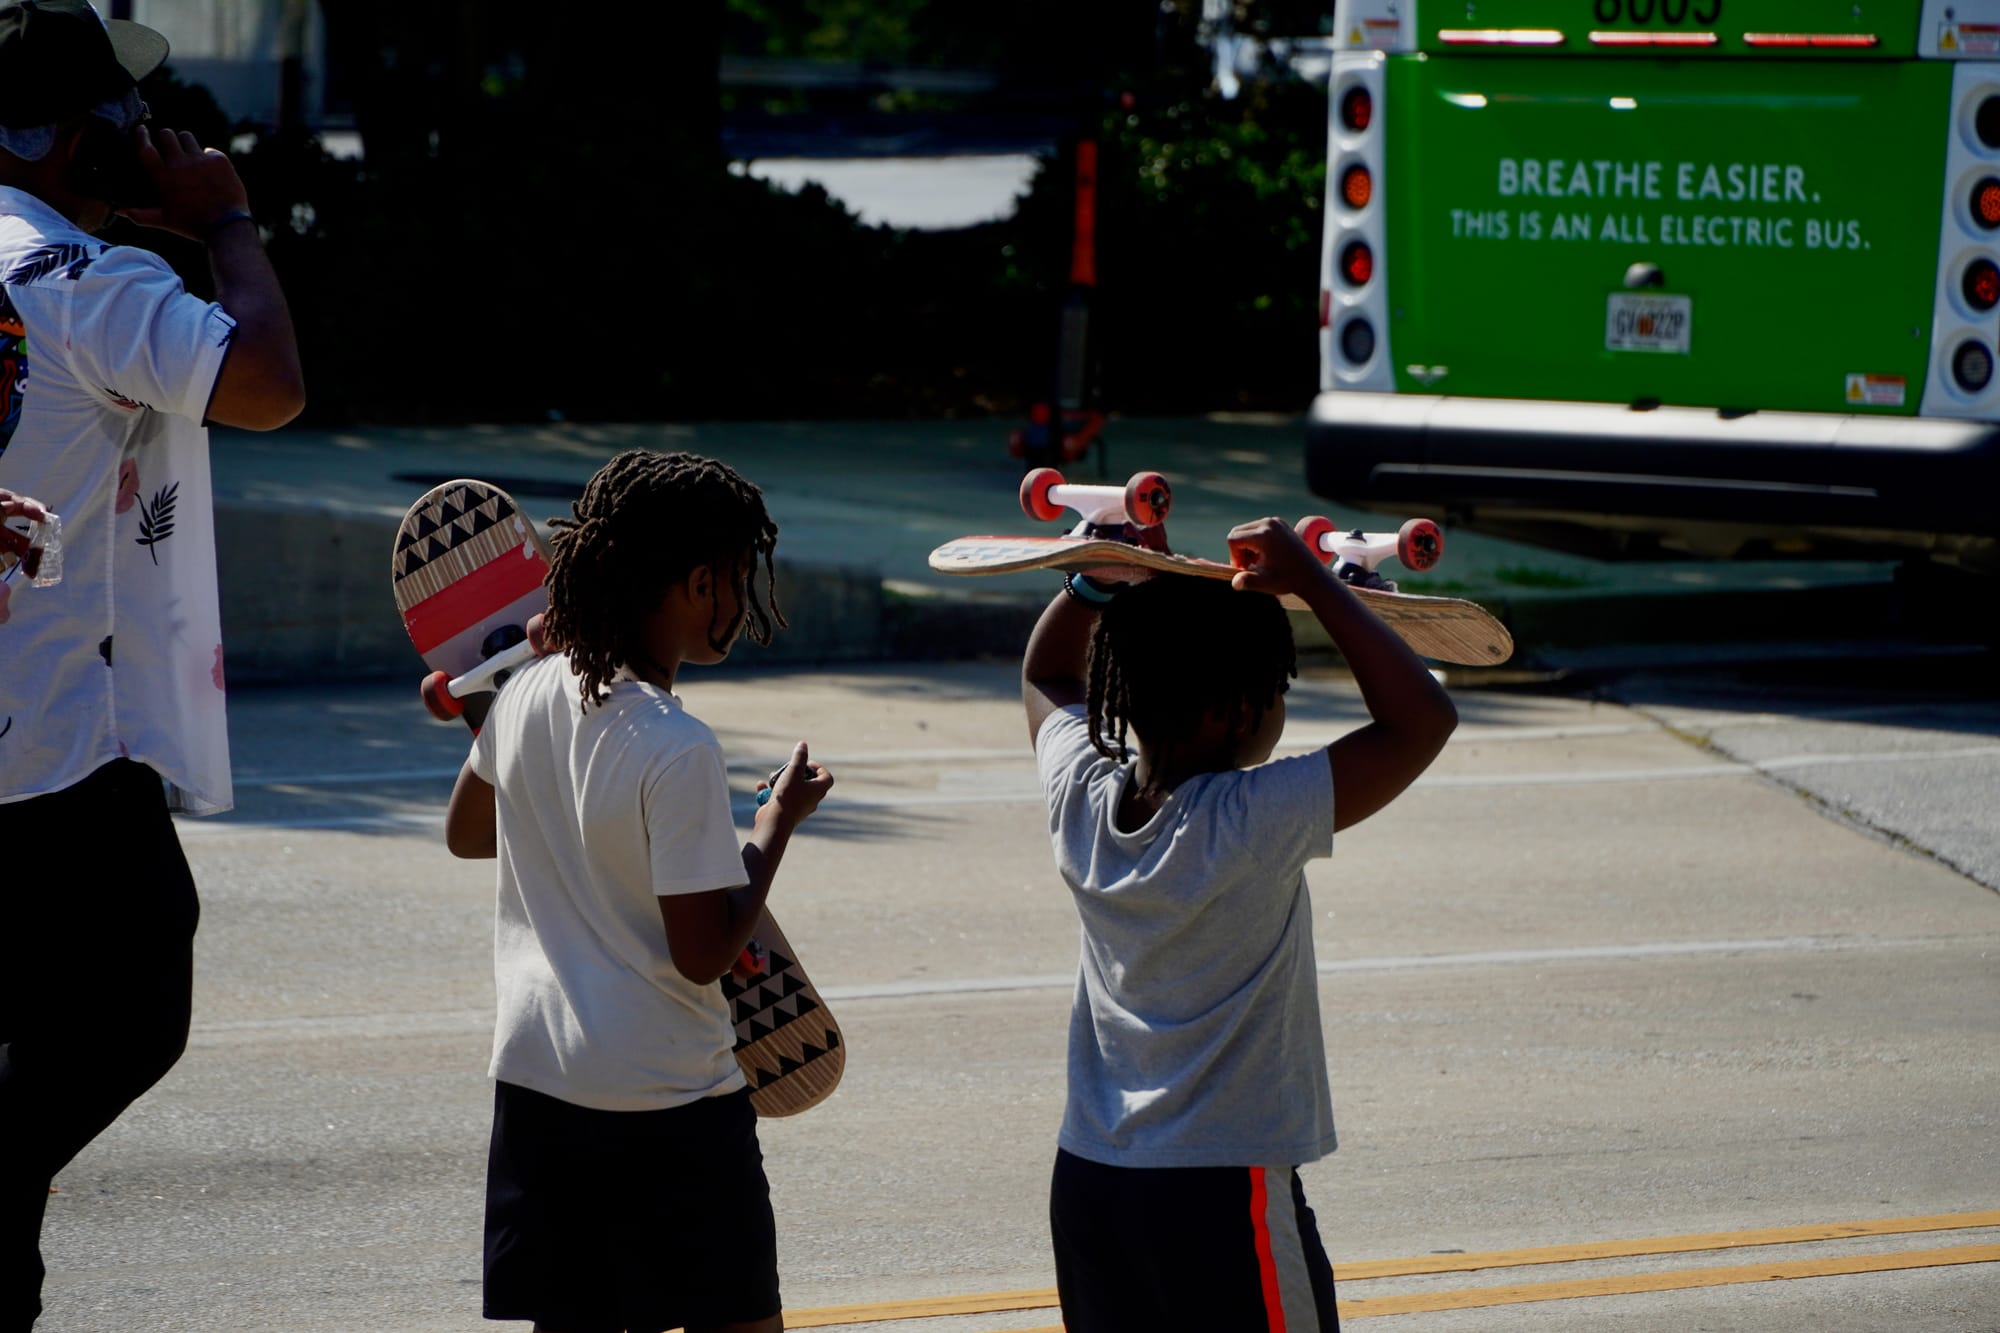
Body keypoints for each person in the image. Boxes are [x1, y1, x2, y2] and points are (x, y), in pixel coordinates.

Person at [0, 1, 304, 1326]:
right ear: (66, 135)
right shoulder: (87, 288)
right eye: (122, 112)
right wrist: (228, 222)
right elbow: (267, 383)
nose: (147, 128)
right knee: (136, 1002)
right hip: (47, 764)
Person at [1020, 517, 1459, 1332]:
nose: (1283, 710)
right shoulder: (1248, 819)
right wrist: (1319, 586)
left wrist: (1092, 579)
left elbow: (1047, 671)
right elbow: (1421, 720)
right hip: (1218, 1192)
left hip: (1091, 1178)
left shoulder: (1081, 795)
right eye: (1279, 688)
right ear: (1235, 709)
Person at [444, 449, 834, 1333]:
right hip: (667, 1099)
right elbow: (703, 953)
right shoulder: (676, 744)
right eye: (737, 579)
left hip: (539, 1079)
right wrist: (774, 826)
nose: (739, 601)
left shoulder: (530, 689)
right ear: (700, 583)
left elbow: (469, 833)